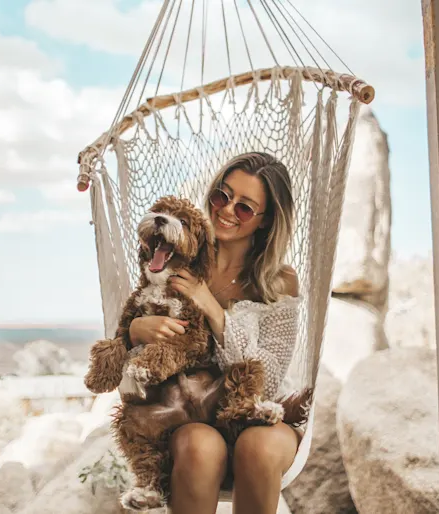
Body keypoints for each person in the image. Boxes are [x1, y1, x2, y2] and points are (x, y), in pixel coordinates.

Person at [127, 152, 302, 514]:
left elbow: (265, 379)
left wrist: (210, 305)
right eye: (222, 196)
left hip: (258, 415)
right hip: (190, 415)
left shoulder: (279, 281)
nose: (225, 210)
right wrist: (134, 331)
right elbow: (140, 345)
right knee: (198, 445)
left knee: (258, 446)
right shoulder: (176, 258)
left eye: (244, 208)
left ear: (265, 221)